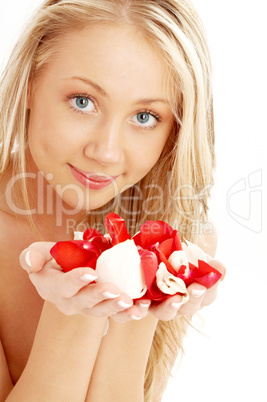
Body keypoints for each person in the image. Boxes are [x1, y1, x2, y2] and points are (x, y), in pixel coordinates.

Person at [0, 0, 226, 400]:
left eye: (144, 117)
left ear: (174, 129)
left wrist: (144, 297)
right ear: (31, 83)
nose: (106, 152)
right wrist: (72, 314)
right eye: (83, 101)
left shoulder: (174, 242)